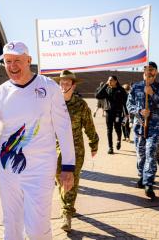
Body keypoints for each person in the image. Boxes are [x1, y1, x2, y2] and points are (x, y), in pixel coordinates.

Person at [0, 41, 75, 240]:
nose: (13, 66)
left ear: (29, 61)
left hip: (41, 167)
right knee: (12, 225)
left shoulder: (48, 87)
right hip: (7, 167)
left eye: (17, 60)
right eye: (8, 61)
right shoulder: (1, 92)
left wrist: (68, 166)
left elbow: (64, 127)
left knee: (37, 228)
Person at [53, 70, 99, 232]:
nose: (64, 86)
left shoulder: (80, 104)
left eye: (67, 83)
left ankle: (66, 213)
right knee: (60, 180)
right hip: (55, 149)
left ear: (73, 85)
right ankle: (68, 205)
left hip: (75, 149)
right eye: (62, 83)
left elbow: (89, 126)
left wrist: (94, 143)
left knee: (70, 180)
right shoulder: (52, 103)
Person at [127, 62, 159, 199]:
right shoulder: (136, 87)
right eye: (146, 69)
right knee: (140, 154)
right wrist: (139, 111)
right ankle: (141, 175)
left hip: (155, 127)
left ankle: (148, 183)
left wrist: (153, 95)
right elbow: (129, 105)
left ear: (156, 72)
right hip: (139, 126)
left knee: (150, 152)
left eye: (151, 70)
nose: (148, 72)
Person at [96, 75, 128, 154]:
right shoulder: (107, 89)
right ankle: (110, 147)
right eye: (108, 80)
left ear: (116, 81)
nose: (109, 81)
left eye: (111, 80)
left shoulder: (121, 90)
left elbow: (125, 102)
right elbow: (98, 95)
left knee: (117, 128)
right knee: (109, 130)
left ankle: (118, 140)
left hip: (118, 112)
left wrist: (126, 113)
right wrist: (105, 85)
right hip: (108, 112)